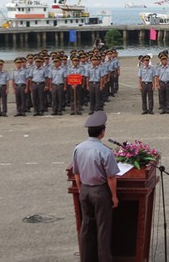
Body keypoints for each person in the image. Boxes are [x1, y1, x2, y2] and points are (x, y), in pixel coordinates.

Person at [70, 111, 119, 262]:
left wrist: (81, 189)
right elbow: (111, 177)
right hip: (100, 191)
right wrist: (114, 196)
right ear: (102, 132)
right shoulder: (105, 151)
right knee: (103, 229)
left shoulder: (78, 148)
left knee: (86, 228)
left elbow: (76, 173)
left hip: (84, 189)